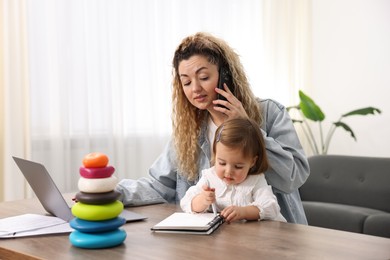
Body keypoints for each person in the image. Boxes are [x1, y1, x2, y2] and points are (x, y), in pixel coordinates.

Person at [116, 32, 310, 224]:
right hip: (213, 242)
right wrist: (111, 193)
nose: (195, 89)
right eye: (187, 82)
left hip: (274, 240)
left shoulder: (269, 113)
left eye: (203, 77)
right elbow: (159, 185)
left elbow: (294, 177)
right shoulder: (189, 131)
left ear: (225, 75)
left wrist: (249, 127)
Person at [180, 118, 287, 223]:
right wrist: (202, 200)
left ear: (253, 162)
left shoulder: (255, 180)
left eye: (238, 166)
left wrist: (244, 212)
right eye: (222, 163)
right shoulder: (209, 177)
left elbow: (271, 207)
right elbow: (185, 202)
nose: (228, 172)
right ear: (215, 154)